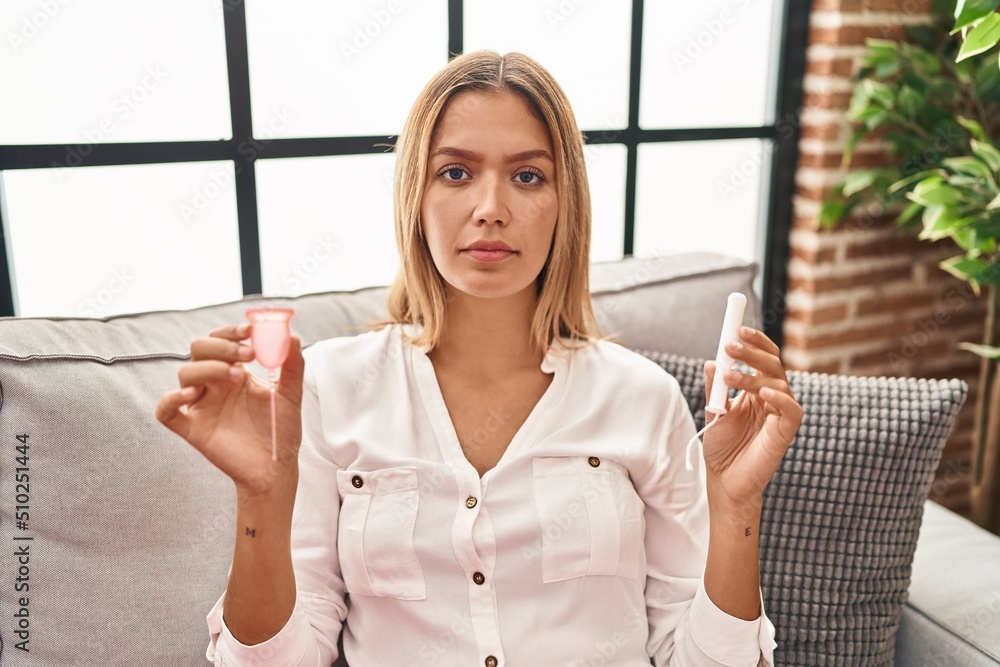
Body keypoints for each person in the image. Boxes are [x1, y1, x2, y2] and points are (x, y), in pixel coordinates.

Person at [155, 50, 802, 666]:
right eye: (456, 172)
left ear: (564, 202)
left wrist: (738, 511)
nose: (491, 210)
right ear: (417, 194)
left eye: (528, 175)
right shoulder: (327, 386)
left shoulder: (644, 397)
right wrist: (261, 498)